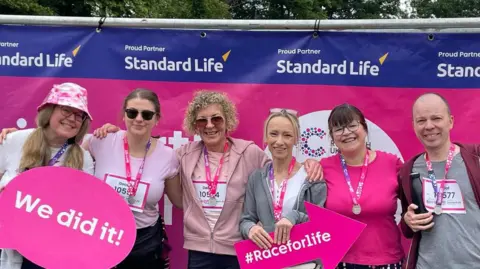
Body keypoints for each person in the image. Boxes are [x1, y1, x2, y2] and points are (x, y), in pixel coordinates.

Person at [91, 90, 323, 269]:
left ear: (227, 121)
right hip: (198, 250)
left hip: (238, 249)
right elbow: (147, 150)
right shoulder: (182, 155)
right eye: (202, 121)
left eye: (216, 119)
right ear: (195, 125)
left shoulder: (250, 153)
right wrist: (111, 131)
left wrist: (308, 165)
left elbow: (279, 171)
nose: (210, 126)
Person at [0, 89, 181, 269]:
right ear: (124, 115)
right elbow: (57, 141)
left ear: (156, 119)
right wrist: (14, 139)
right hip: (100, 236)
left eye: (147, 114)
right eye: (132, 112)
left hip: (144, 241)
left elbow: (179, 199)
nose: (139, 119)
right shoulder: (101, 141)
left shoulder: (168, 156)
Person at [0, 82, 95, 269]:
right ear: (49, 110)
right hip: (12, 251)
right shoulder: (14, 141)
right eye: (66, 110)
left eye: (79, 115)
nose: (72, 118)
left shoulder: (83, 158)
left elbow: (85, 211)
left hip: (54, 255)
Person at [398, 93, 480, 269]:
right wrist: (408, 220)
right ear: (414, 126)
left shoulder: (476, 160)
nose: (429, 126)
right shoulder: (408, 170)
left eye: (436, 118)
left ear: (450, 121)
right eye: (421, 121)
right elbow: (407, 228)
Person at [319, 104, 404, 269]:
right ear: (332, 137)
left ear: (364, 128)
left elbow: (414, 204)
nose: (346, 133)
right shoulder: (323, 168)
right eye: (338, 128)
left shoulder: (391, 163)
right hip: (339, 262)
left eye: (352, 125)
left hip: (387, 260)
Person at [239, 108, 326, 269]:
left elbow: (322, 226)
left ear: (296, 139)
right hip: (266, 260)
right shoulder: (257, 178)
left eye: (287, 135)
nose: (279, 141)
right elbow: (246, 220)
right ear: (266, 137)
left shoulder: (312, 177)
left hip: (304, 263)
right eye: (273, 134)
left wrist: (294, 217)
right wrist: (250, 229)